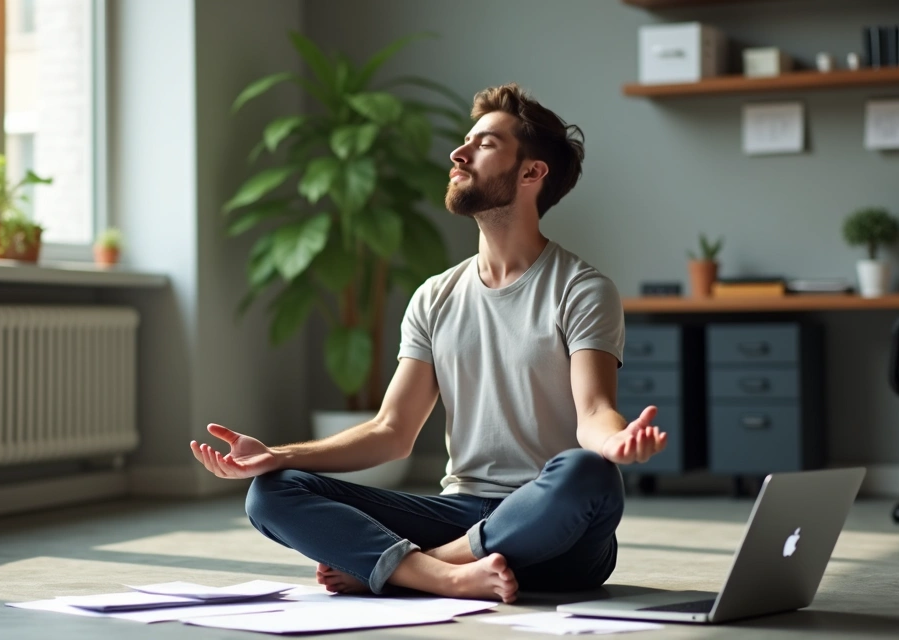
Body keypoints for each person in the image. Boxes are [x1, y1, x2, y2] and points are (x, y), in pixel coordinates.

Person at [191, 83, 667, 604]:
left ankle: (414, 568)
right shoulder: (435, 296)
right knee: (272, 491)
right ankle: (446, 577)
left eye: (484, 144)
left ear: (532, 173)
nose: (458, 154)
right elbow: (392, 432)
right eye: (465, 141)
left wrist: (616, 442)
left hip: (554, 529)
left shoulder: (580, 288)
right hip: (459, 510)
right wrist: (275, 455)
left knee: (588, 473)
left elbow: (594, 411)